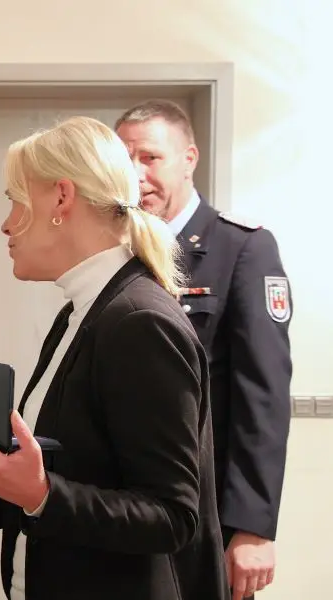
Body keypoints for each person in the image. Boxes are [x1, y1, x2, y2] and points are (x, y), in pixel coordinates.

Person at [0, 116, 229, 600]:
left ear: (60, 198)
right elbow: (39, 482)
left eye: (14, 201)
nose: (6, 223)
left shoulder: (139, 321)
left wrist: (42, 494)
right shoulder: (83, 312)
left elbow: (171, 516)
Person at [115, 99, 292, 600]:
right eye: (124, 159)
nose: (136, 174)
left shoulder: (242, 249)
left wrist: (253, 527)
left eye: (150, 158)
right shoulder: (120, 252)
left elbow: (263, 396)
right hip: (126, 511)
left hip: (206, 513)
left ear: (189, 158)